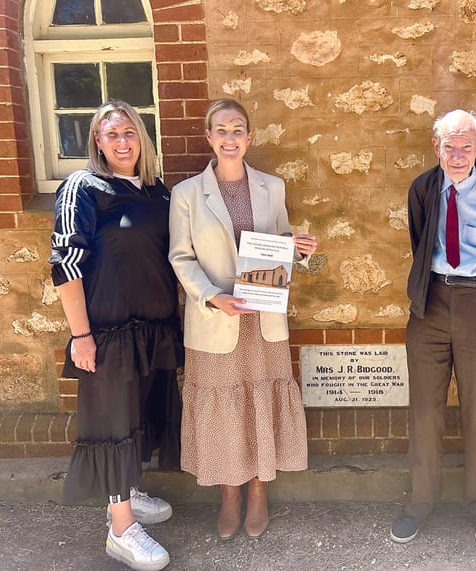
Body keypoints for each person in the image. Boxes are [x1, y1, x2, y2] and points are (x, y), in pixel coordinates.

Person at [168, 98, 317, 540]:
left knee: (260, 404)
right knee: (224, 411)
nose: (229, 137)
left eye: (237, 129)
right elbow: (180, 257)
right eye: (221, 129)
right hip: (216, 318)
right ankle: (229, 494)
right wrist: (213, 296)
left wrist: (299, 250)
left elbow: (280, 245)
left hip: (262, 320)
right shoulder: (186, 194)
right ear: (209, 137)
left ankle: (258, 491)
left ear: (249, 137)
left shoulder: (273, 187)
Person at [50, 100, 184, 571]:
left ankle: (124, 492)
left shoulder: (156, 191)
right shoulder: (83, 187)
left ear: (142, 138)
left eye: (129, 132)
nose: (122, 142)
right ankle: (121, 530)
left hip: (153, 330)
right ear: (97, 141)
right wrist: (81, 335)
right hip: (109, 332)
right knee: (112, 423)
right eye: (112, 134)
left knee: (138, 415)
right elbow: (66, 264)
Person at [390, 109, 476, 548]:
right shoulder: (423, 188)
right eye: (450, 146)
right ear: (437, 147)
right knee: (424, 410)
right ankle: (420, 501)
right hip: (430, 303)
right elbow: (420, 241)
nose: (458, 155)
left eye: (467, 146)